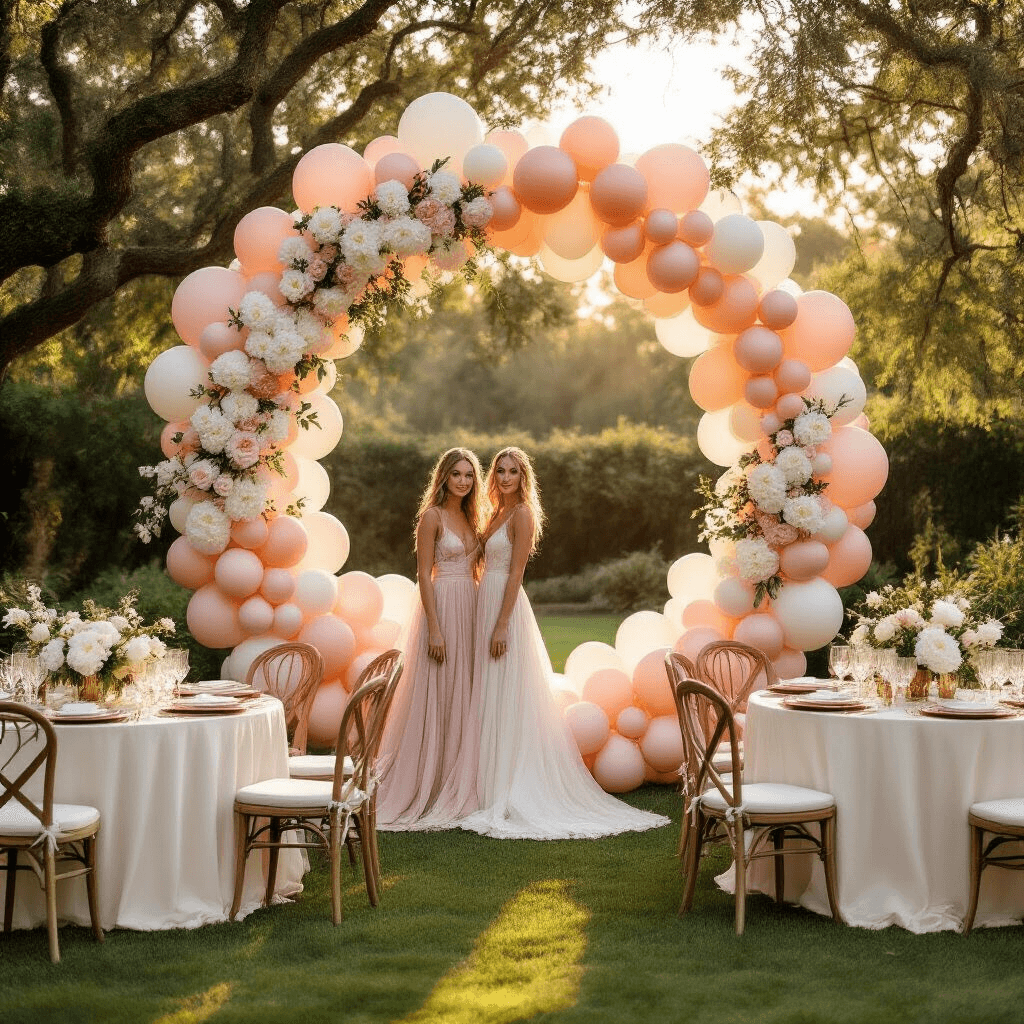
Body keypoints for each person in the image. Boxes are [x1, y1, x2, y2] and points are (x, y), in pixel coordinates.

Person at [459, 446, 669, 840]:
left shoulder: (522, 514)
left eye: (513, 472)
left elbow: (516, 572)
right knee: (488, 692)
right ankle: (484, 782)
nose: (505, 477)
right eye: (500, 471)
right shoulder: (495, 514)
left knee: (507, 691)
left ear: (524, 479)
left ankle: (510, 783)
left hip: (505, 608)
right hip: (484, 603)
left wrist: (502, 624)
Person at [377, 448, 483, 830]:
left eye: (469, 475)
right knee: (439, 691)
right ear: (443, 477)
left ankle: (462, 778)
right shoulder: (432, 517)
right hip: (442, 607)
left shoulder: (472, 517)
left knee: (466, 691)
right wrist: (434, 629)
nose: (463, 481)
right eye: (457, 474)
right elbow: (424, 574)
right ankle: (431, 782)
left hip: (471, 607)